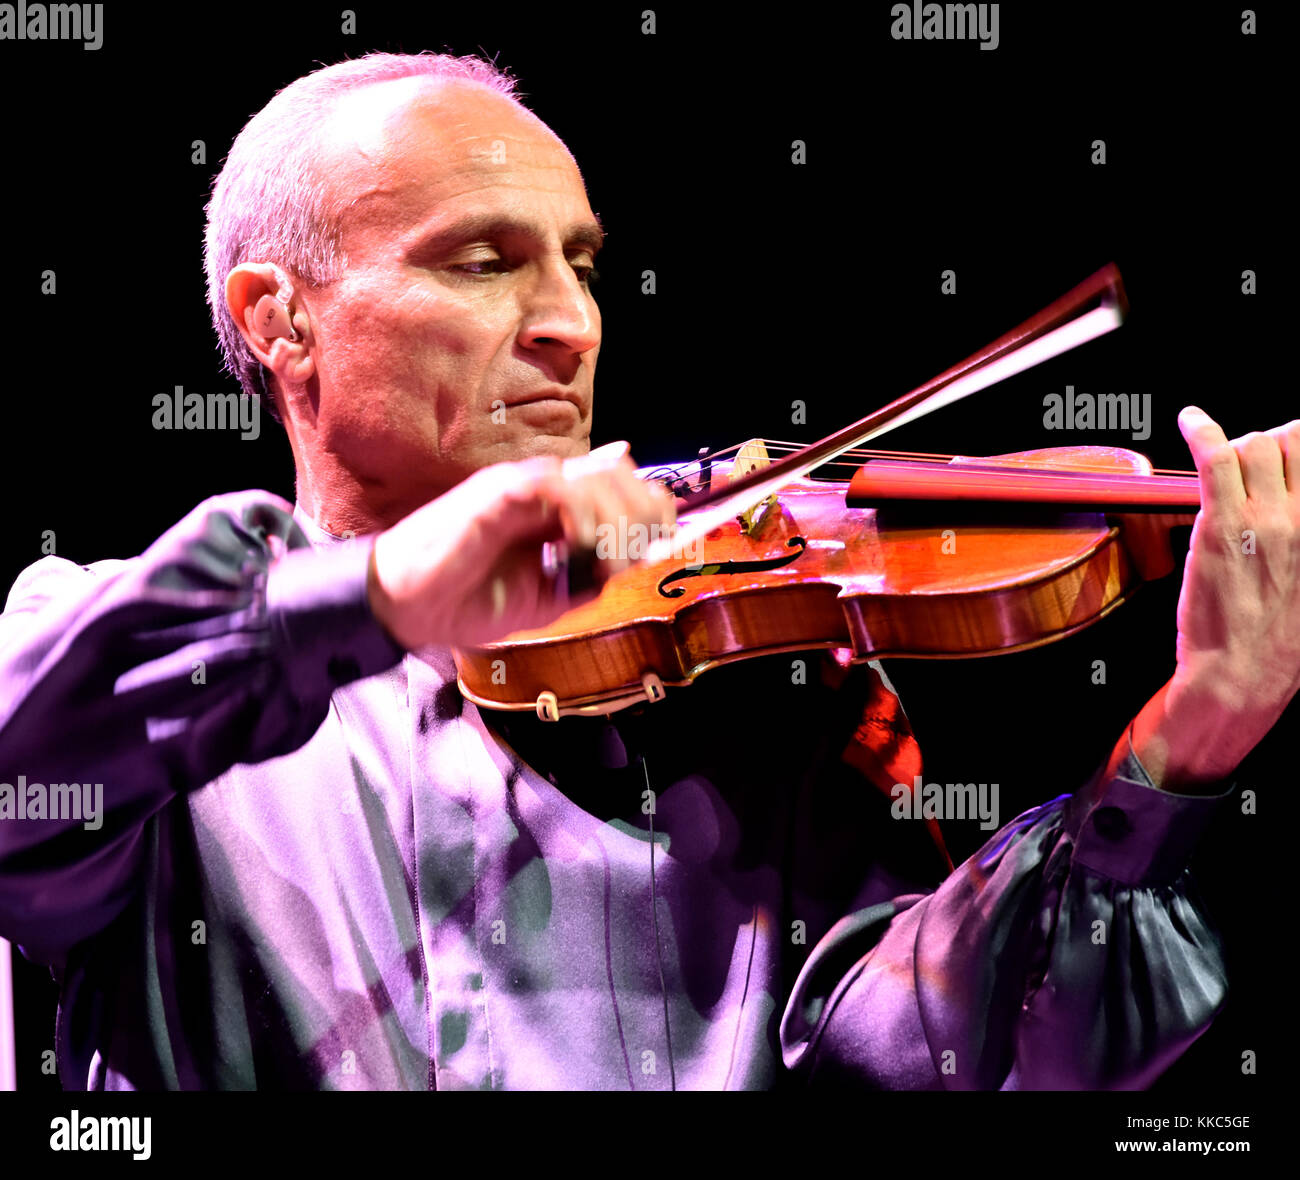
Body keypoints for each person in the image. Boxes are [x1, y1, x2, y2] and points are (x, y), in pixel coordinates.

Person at [0, 51, 1293, 1090]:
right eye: (484, 259)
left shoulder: (745, 699)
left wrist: (1177, 751)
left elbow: (964, 1057)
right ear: (279, 320)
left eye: (581, 263)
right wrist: (388, 592)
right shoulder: (123, 678)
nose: (570, 323)